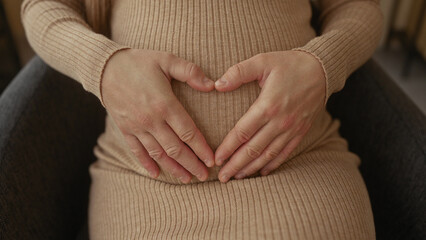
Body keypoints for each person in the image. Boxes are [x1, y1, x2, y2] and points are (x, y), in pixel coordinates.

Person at [21, 0, 383, 239]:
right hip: (146, 182)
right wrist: (103, 65)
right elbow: (43, 7)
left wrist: (322, 65)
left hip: (301, 166)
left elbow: (357, 7)